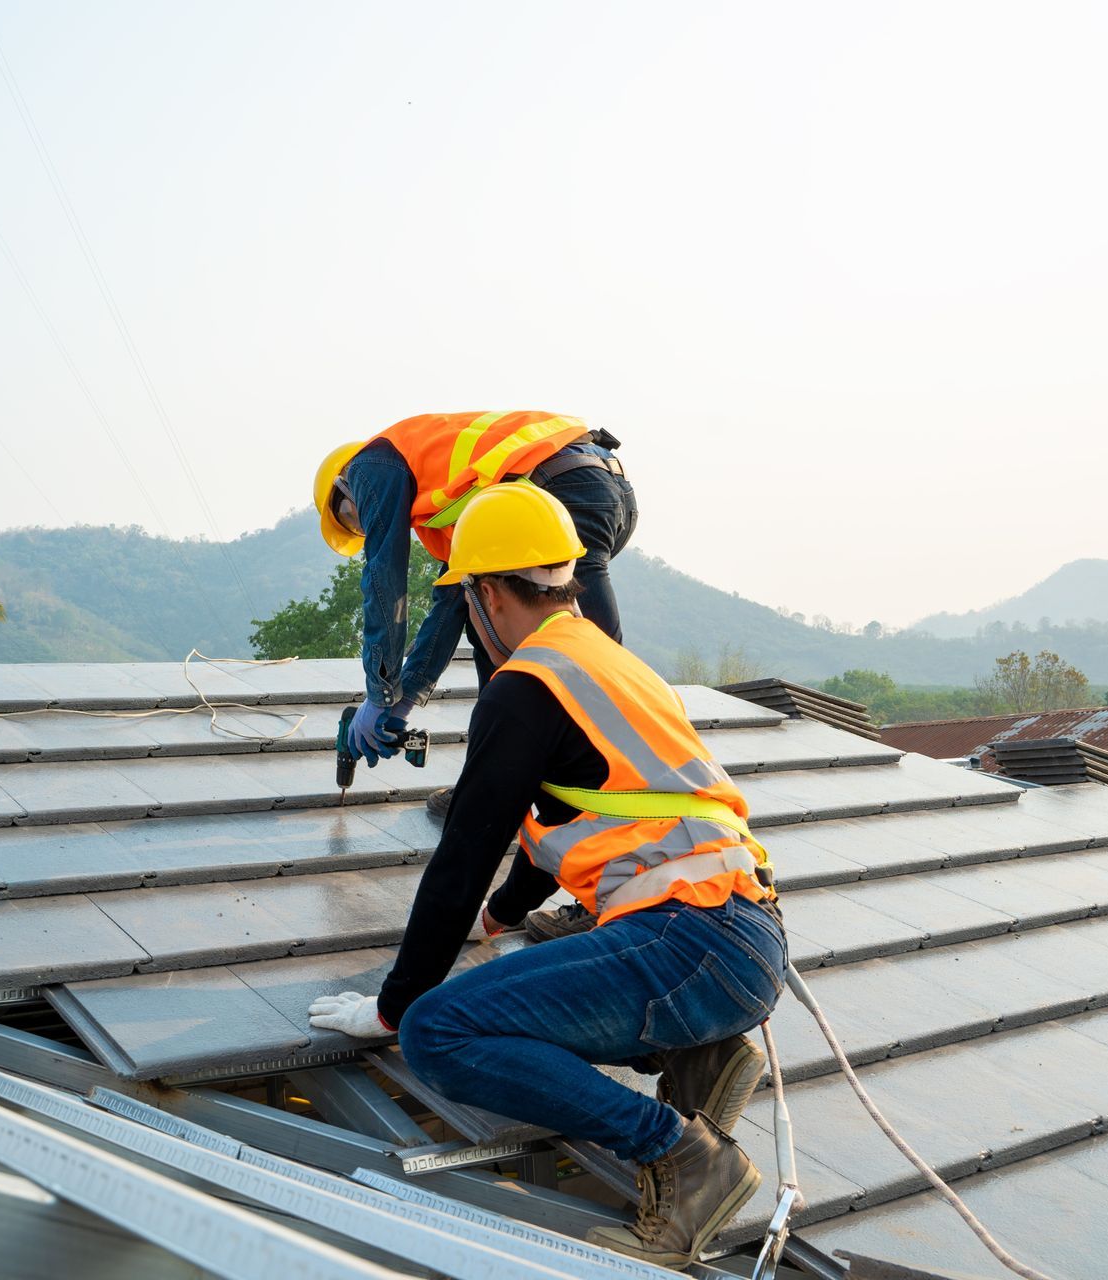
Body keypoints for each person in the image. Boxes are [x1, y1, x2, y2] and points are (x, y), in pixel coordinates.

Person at [307, 484, 787, 1270]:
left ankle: (682, 1155)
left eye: (466, 601)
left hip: (686, 939)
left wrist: (394, 1008)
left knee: (441, 1031)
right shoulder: (604, 659)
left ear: (489, 594)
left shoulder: (526, 686)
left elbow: (461, 857)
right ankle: (700, 1055)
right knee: (519, 986)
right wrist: (503, 916)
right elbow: (572, 813)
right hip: (742, 936)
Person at [310, 413, 637, 807]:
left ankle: (605, 784)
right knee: (491, 621)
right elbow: (451, 606)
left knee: (596, 659)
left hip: (560, 487)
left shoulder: (369, 464)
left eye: (349, 516)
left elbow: (384, 581)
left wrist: (379, 693)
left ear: (346, 484)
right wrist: (405, 697)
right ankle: (497, 783)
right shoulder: (453, 500)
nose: (364, 525)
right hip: (608, 487)